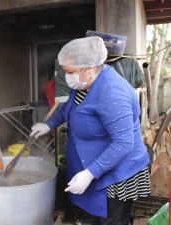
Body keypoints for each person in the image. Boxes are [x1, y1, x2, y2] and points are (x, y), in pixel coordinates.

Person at [30, 36, 151, 225]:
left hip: (116, 173)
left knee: (111, 221)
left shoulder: (112, 92)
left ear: (89, 67)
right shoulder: (83, 83)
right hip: (98, 167)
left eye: (70, 71)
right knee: (97, 220)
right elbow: (69, 108)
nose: (67, 76)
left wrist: (89, 173)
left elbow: (124, 143)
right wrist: (49, 124)